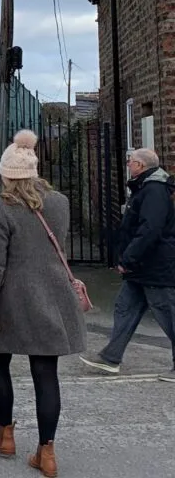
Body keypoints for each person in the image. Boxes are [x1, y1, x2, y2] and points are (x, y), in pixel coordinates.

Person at [0, 131, 86, 477]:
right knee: (45, 374)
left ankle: (5, 436)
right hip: (52, 296)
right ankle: (47, 453)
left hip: (11, 298)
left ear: (7, 173)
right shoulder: (60, 202)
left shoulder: (0, 208)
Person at [81, 147, 175, 380]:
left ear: (141, 166)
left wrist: (128, 258)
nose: (128, 165)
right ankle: (111, 357)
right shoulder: (144, 188)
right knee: (124, 308)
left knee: (168, 315)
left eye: (131, 161)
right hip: (141, 268)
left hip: (155, 266)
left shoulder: (154, 191)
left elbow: (150, 229)